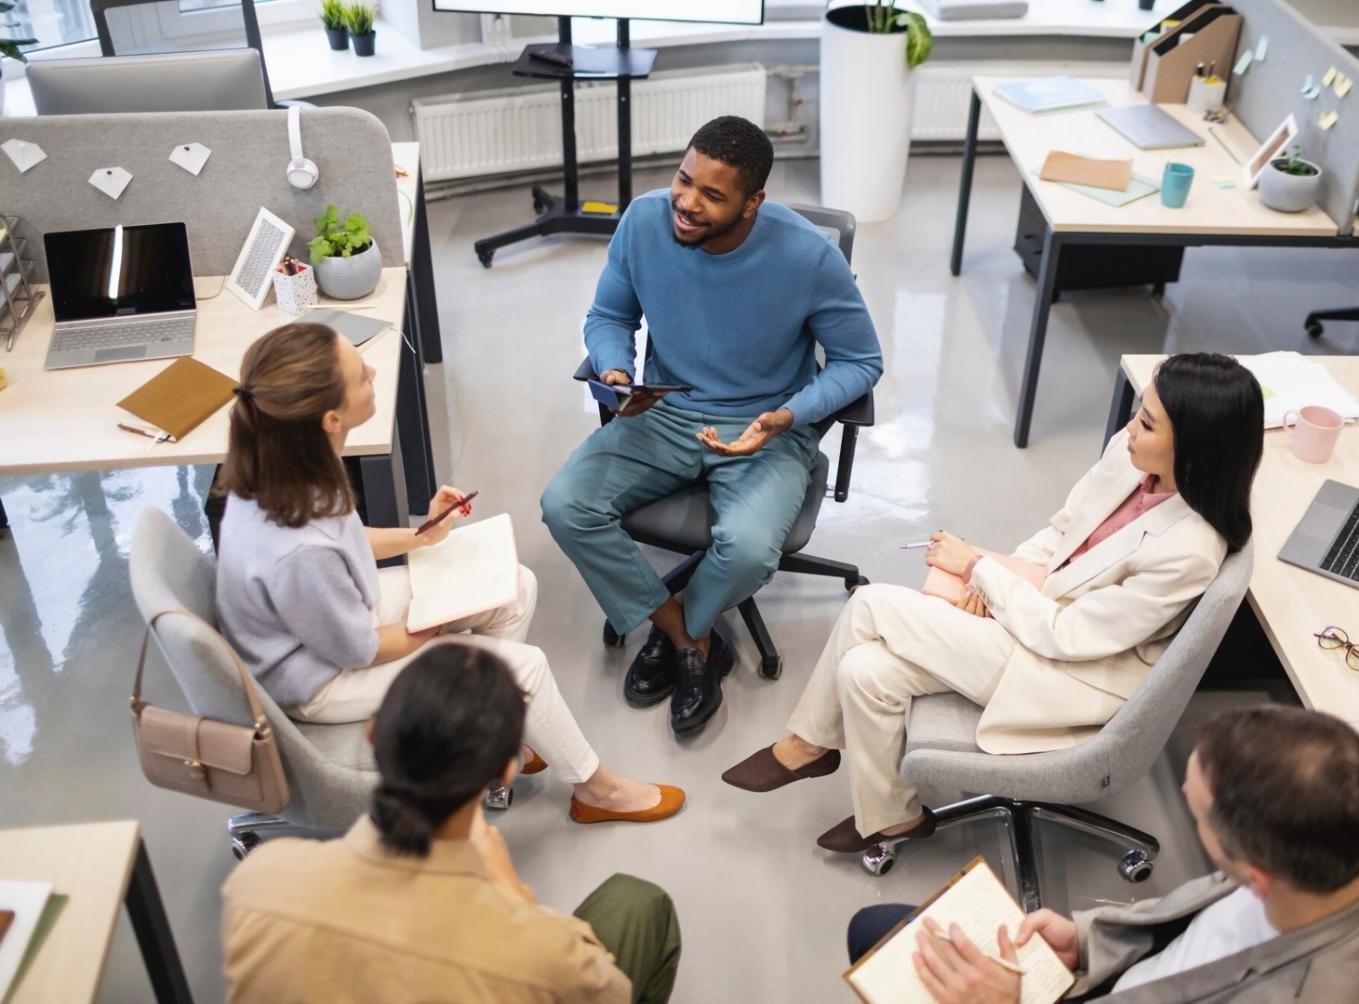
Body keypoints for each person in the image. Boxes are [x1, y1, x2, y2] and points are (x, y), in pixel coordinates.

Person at [724, 353, 1264, 851]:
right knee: (864, 670)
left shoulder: (1189, 550)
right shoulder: (1130, 461)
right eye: (1137, 412)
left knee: (869, 606)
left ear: (1194, 447)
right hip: (1039, 618)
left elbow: (1072, 638)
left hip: (1075, 671)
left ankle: (808, 745)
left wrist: (981, 572)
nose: (1127, 429)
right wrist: (997, 584)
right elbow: (1060, 535)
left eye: (1146, 424)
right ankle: (893, 816)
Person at [214, 322, 682, 824]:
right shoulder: (297, 550)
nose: (373, 371)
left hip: (339, 618)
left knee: (514, 587)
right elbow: (356, 649)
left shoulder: (285, 462)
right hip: (322, 678)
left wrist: (422, 537)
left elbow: (341, 539)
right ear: (331, 417)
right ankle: (597, 791)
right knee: (522, 669)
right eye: (360, 376)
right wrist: (439, 624)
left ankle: (500, 739)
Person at [540, 115, 883, 737]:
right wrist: (617, 372)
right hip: (666, 411)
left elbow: (862, 362)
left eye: (712, 195)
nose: (687, 204)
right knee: (565, 504)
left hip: (763, 428)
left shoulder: (809, 257)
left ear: (753, 202)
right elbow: (608, 315)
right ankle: (686, 638)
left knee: (750, 549)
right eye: (683, 180)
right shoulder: (644, 222)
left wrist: (786, 417)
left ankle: (684, 632)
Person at [842, 705, 1359, 1004]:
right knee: (882, 932)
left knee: (880, 942)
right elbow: (1206, 916)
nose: (1181, 793)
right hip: (1130, 976)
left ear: (1256, 876)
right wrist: (1089, 938)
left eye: (1197, 813)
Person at [223, 642, 683, 1003]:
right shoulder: (543, 952)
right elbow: (607, 994)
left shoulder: (254, 886)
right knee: (638, 901)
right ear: (507, 769)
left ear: (372, 732)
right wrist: (512, 894)